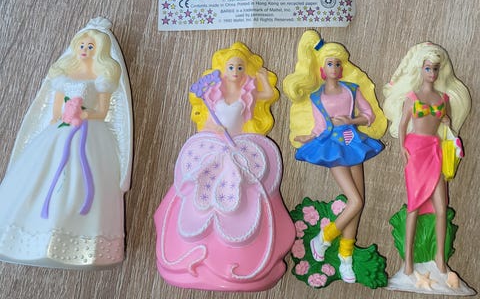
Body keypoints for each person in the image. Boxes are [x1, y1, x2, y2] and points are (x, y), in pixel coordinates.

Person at [155, 42, 295, 291]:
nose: (235, 71)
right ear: (223, 70)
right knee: (198, 194)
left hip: (239, 149)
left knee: (245, 199)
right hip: (212, 148)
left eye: (240, 67)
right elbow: (208, 121)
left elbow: (266, 95)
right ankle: (189, 258)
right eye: (231, 66)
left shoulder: (246, 96)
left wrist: (262, 78)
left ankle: (245, 262)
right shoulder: (212, 95)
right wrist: (214, 128)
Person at [0, 17, 132, 268]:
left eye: (90, 47)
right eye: (82, 45)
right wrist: (62, 118)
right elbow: (55, 110)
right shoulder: (64, 75)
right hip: (59, 131)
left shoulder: (102, 78)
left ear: (100, 51)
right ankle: (31, 233)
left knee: (83, 177)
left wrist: (83, 113)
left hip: (89, 134)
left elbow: (102, 111)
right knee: (43, 172)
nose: (84, 50)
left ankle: (78, 238)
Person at [283, 30, 386, 283]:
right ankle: (324, 237)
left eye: (338, 64)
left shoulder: (352, 89)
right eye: (330, 63)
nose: (335, 67)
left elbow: (368, 116)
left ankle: (345, 257)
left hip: (353, 141)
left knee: (358, 203)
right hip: (332, 146)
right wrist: (307, 137)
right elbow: (320, 127)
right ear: (322, 69)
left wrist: (351, 120)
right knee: (355, 201)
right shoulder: (317, 97)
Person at [383, 42, 471, 279]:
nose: (431, 73)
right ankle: (408, 261)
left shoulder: (443, 98)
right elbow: (403, 125)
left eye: (435, 69)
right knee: (414, 205)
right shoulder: (412, 97)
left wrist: (447, 122)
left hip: (434, 150)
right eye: (428, 68)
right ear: (420, 69)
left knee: (441, 207)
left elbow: (446, 120)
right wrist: (402, 148)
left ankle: (440, 258)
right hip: (415, 151)